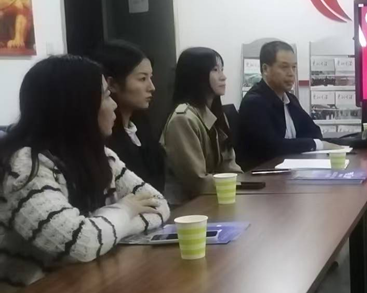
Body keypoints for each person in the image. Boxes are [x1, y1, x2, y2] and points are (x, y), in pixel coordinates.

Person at [0, 56, 169, 290]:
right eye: (107, 96)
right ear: (78, 107)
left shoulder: (101, 155)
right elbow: (82, 243)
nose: (114, 105)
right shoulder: (26, 165)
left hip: (84, 286)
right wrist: (125, 210)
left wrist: (104, 228)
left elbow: (159, 205)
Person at [161, 47, 241, 204]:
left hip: (214, 198)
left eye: (222, 69)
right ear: (196, 75)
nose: (223, 77)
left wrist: (246, 183)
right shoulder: (183, 119)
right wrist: (238, 185)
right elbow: (197, 182)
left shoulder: (216, 114)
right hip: (185, 206)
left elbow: (229, 165)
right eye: (215, 70)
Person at [236, 40, 332, 170]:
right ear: (265, 69)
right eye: (284, 67)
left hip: (290, 172)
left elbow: (314, 132)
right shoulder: (254, 103)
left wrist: (316, 143)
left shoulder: (289, 99)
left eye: (294, 67)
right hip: (263, 177)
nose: (291, 73)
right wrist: (317, 144)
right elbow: (272, 147)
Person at [92, 40, 165, 191]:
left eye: (150, 78)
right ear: (112, 84)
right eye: (142, 79)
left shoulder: (141, 127)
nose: (151, 87)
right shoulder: (105, 138)